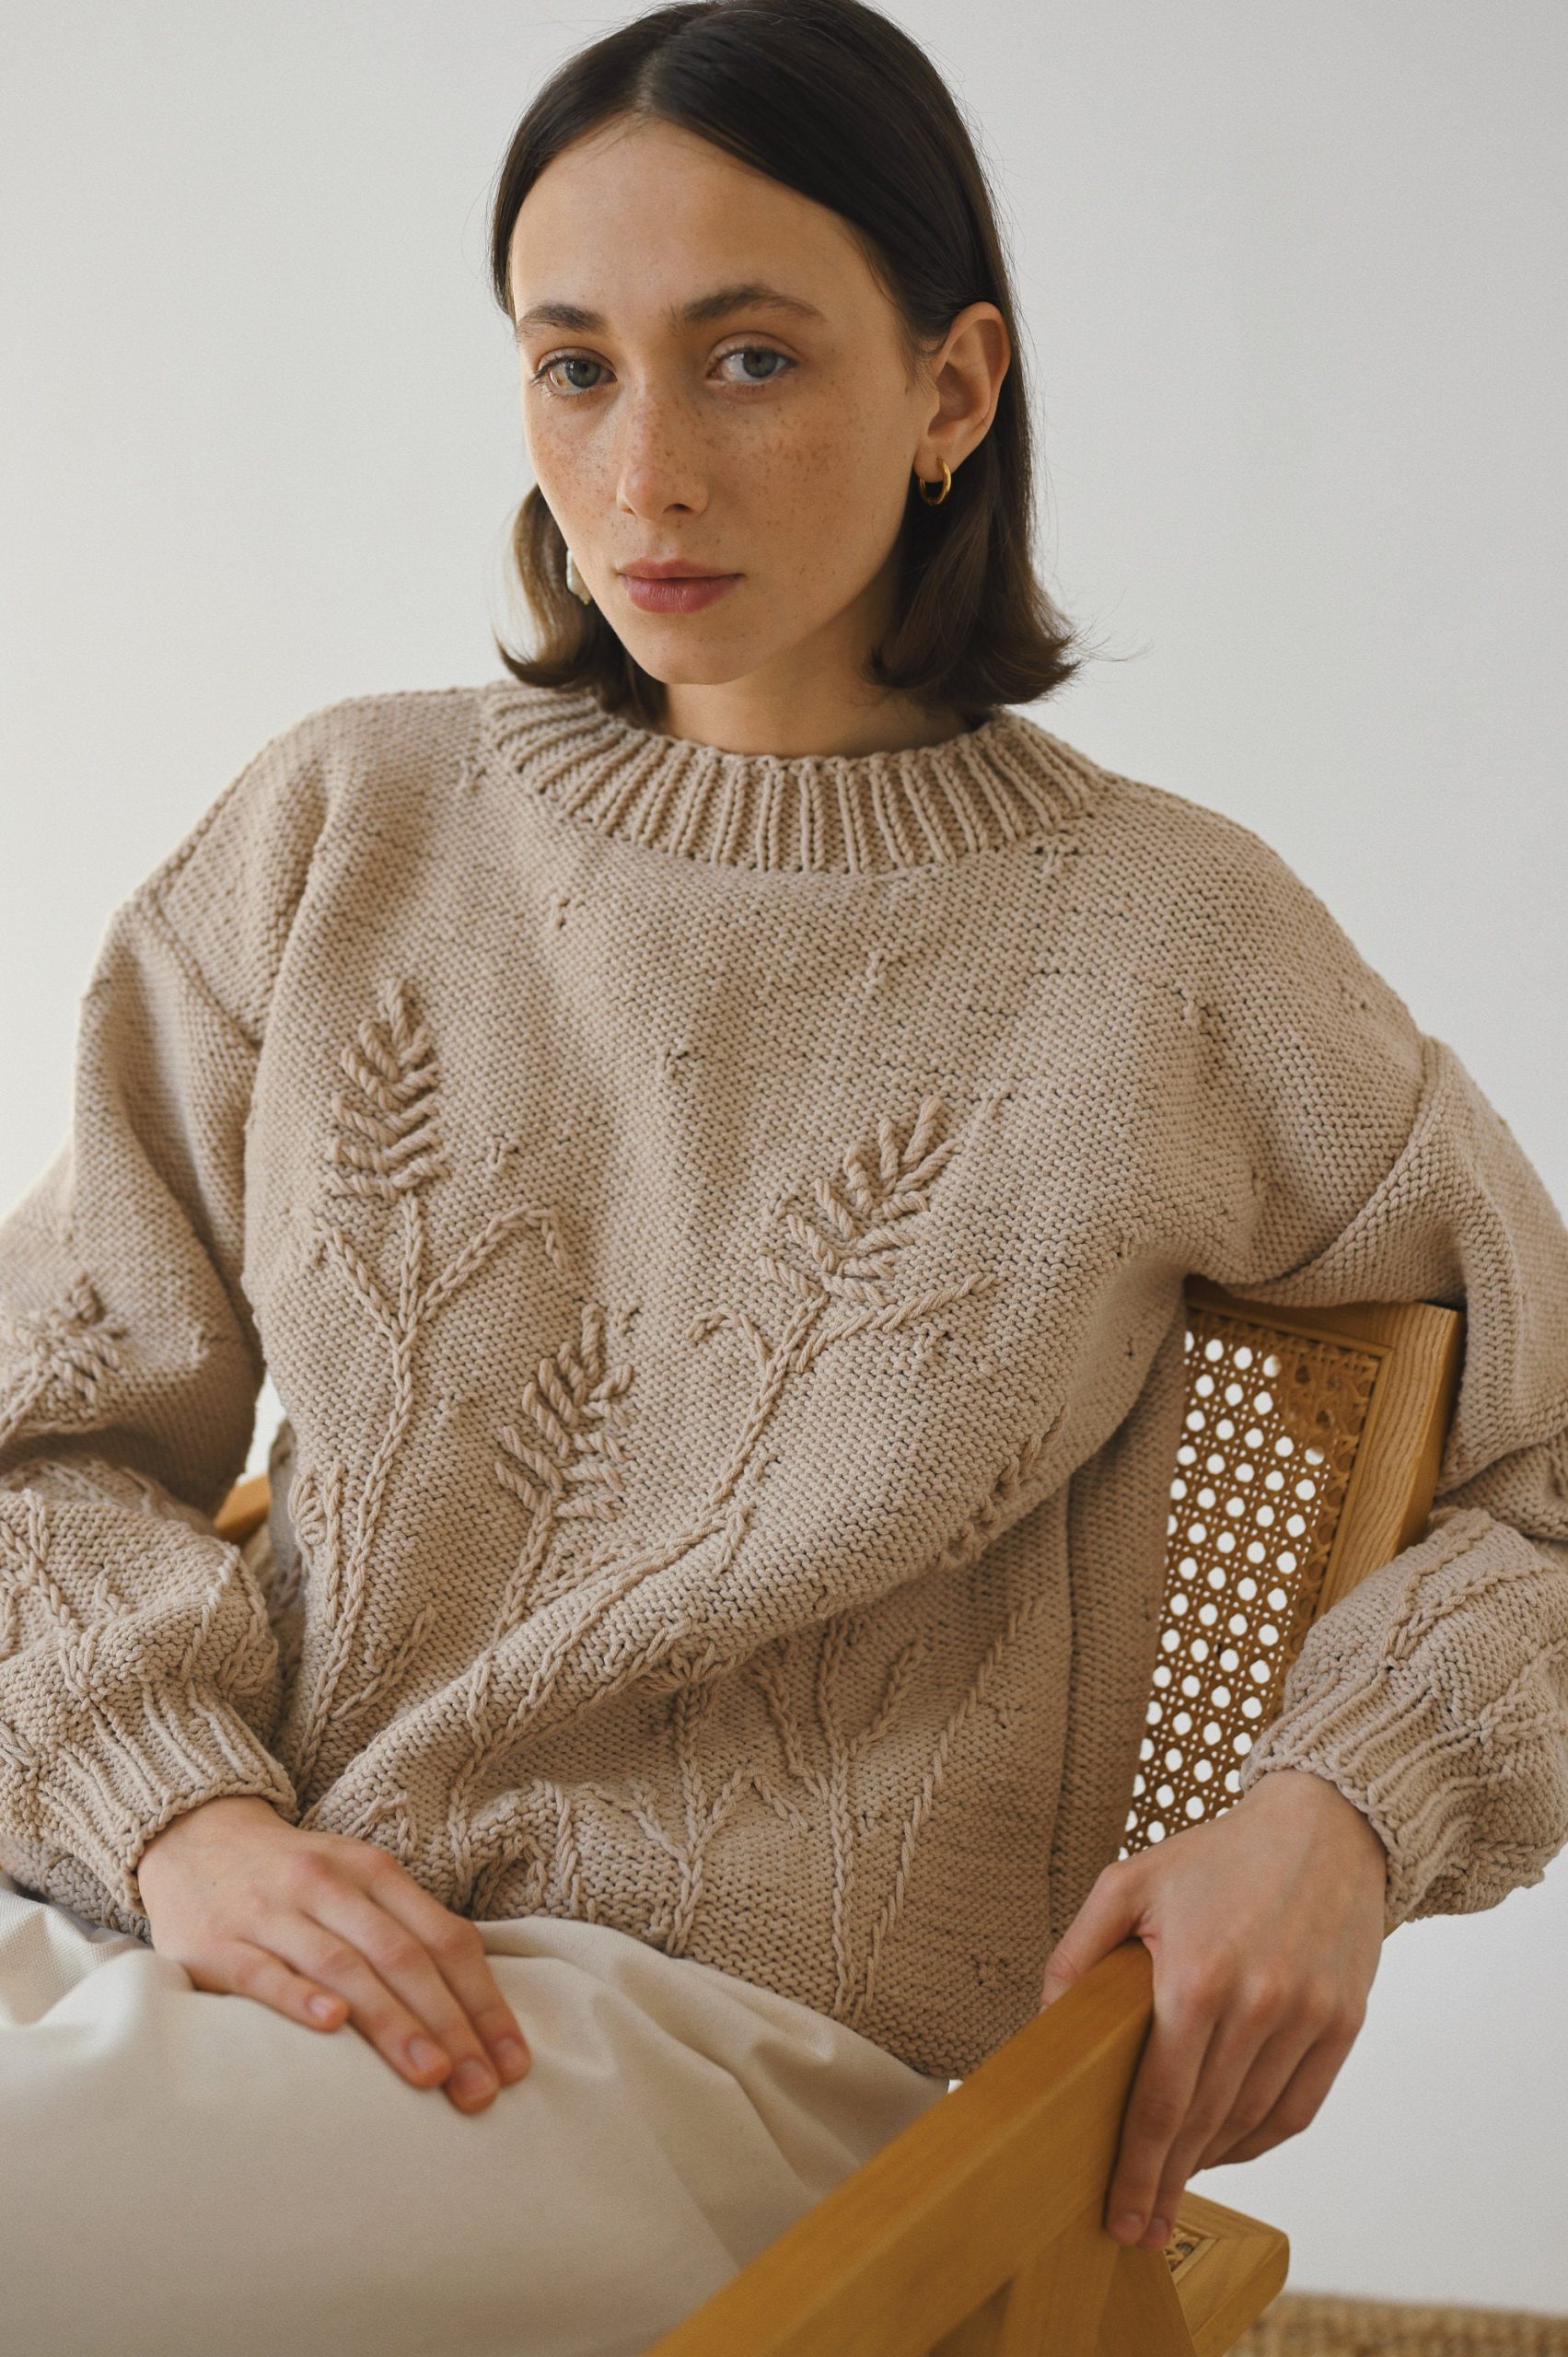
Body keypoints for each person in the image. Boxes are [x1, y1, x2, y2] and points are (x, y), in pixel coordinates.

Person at [3, 3, 1566, 2352]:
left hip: (729, 2063)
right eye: (575, 367)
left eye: (748, 360)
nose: (643, 473)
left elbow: (1550, 1476)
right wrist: (173, 1812)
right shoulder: (344, 826)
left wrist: (1340, 1809)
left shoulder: (1174, 948)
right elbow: (40, 1425)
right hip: (249, 1928)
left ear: (954, 388)